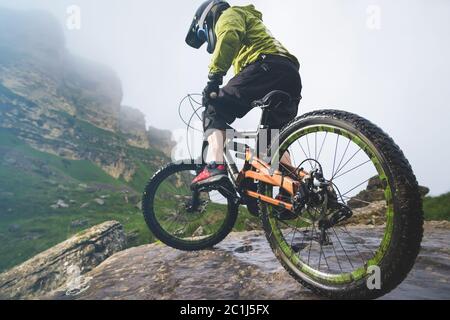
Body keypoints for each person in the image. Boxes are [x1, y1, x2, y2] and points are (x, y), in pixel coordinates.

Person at [186, 0, 302, 188]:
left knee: (215, 107)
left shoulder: (228, 15)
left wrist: (214, 80)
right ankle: (296, 187)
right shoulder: (252, 27)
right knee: (271, 146)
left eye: (204, 35)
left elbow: (229, 36)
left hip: (266, 66)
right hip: (289, 75)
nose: (209, 41)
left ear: (208, 19)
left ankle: (215, 165)